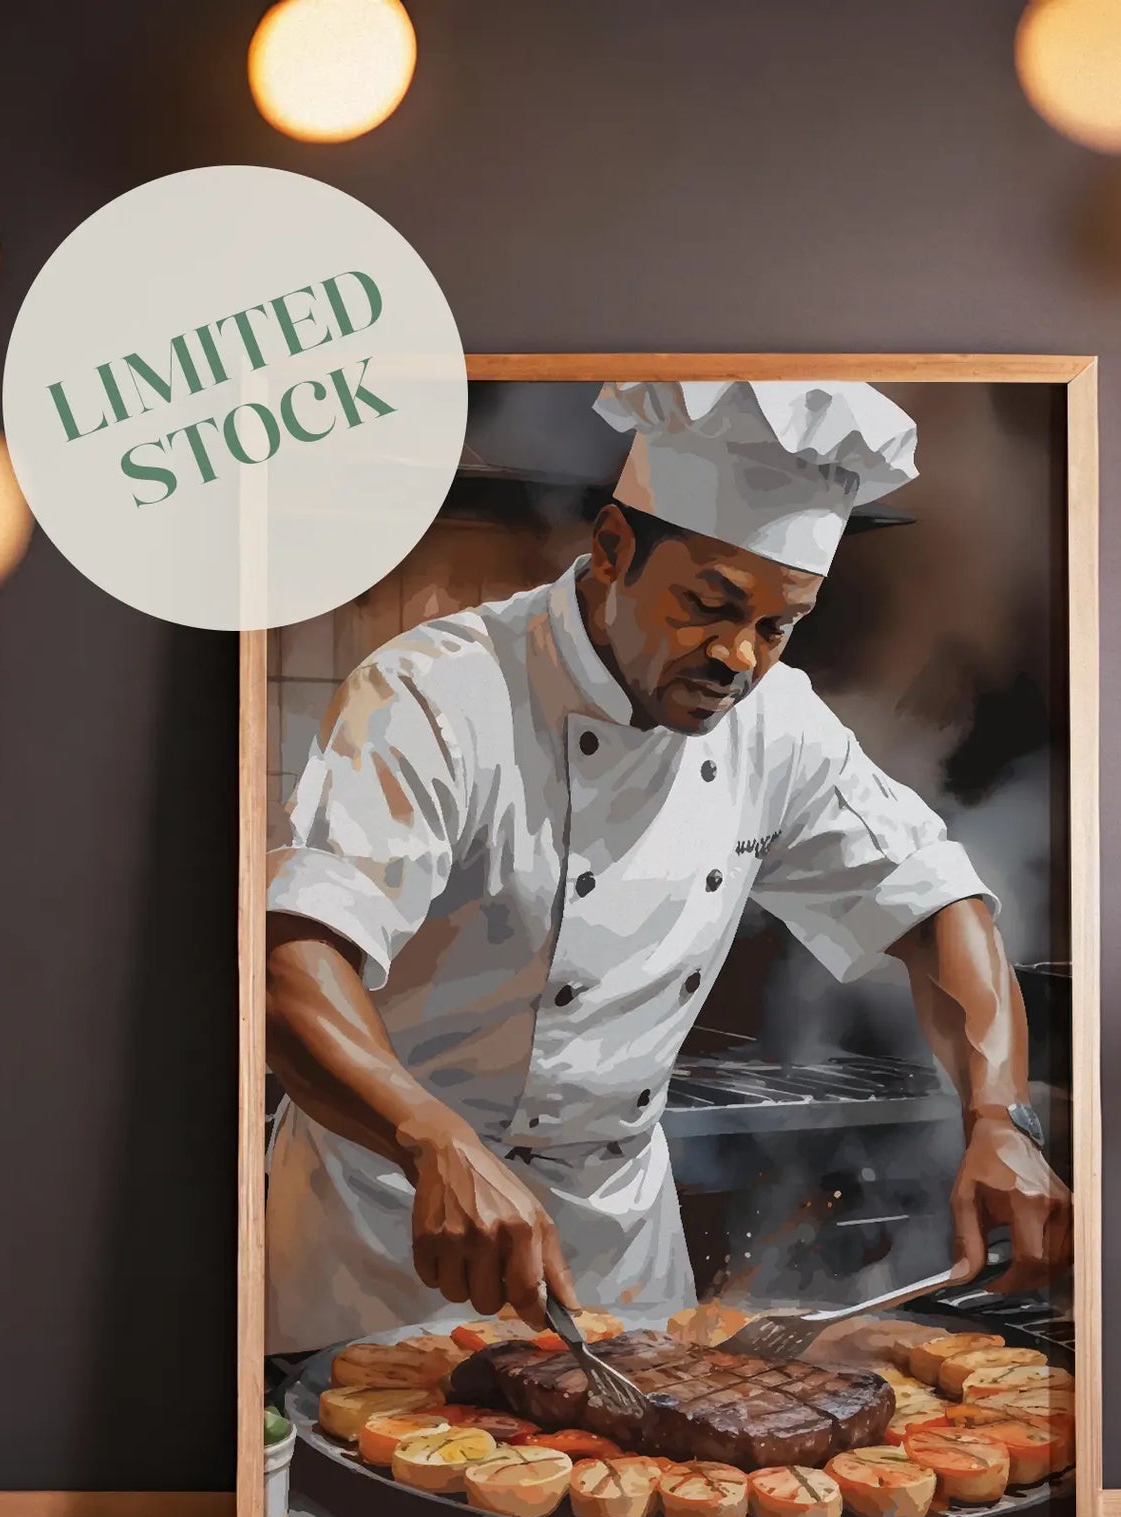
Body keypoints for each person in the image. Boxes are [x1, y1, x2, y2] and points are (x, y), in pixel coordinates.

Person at [264, 378, 1072, 1352]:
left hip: (615, 1247)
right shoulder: (434, 697)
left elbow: (938, 906)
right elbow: (289, 964)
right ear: (609, 548)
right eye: (709, 603)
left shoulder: (776, 725)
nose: (737, 653)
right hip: (388, 1230)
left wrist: (997, 1117)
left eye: (777, 626)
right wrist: (431, 1138)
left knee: (650, 1490)